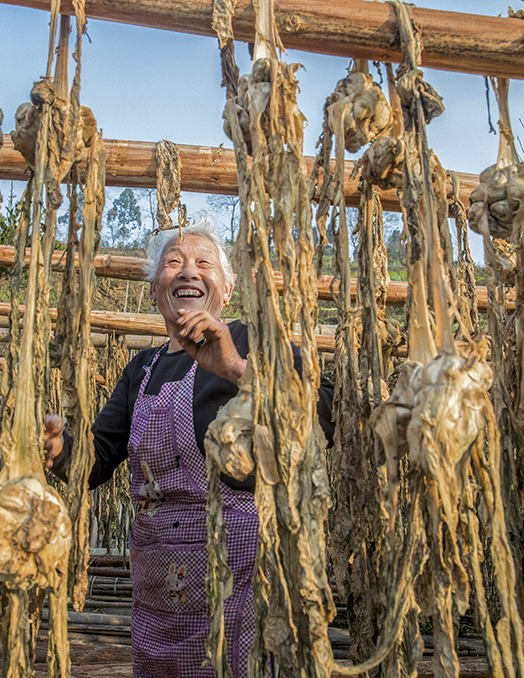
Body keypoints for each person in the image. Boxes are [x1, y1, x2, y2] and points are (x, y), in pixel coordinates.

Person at [43, 222, 333, 678]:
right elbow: (97, 460)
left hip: (243, 570)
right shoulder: (143, 367)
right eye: (173, 263)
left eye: (204, 263)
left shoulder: (258, 343)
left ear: (228, 287)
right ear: (154, 287)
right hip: (158, 579)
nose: (187, 272)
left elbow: (326, 413)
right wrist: (59, 447)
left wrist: (239, 369)